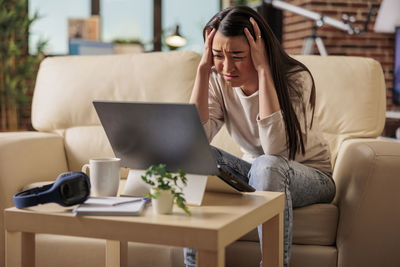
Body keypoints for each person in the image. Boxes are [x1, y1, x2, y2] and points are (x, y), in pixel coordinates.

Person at [184, 5, 336, 267]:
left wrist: (264, 71)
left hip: (311, 176)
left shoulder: (295, 79)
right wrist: (202, 71)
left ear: (259, 49)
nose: (227, 66)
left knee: (267, 164)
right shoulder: (219, 79)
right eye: (218, 55)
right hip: (256, 173)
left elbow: (274, 151)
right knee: (195, 158)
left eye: (238, 56)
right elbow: (194, 142)